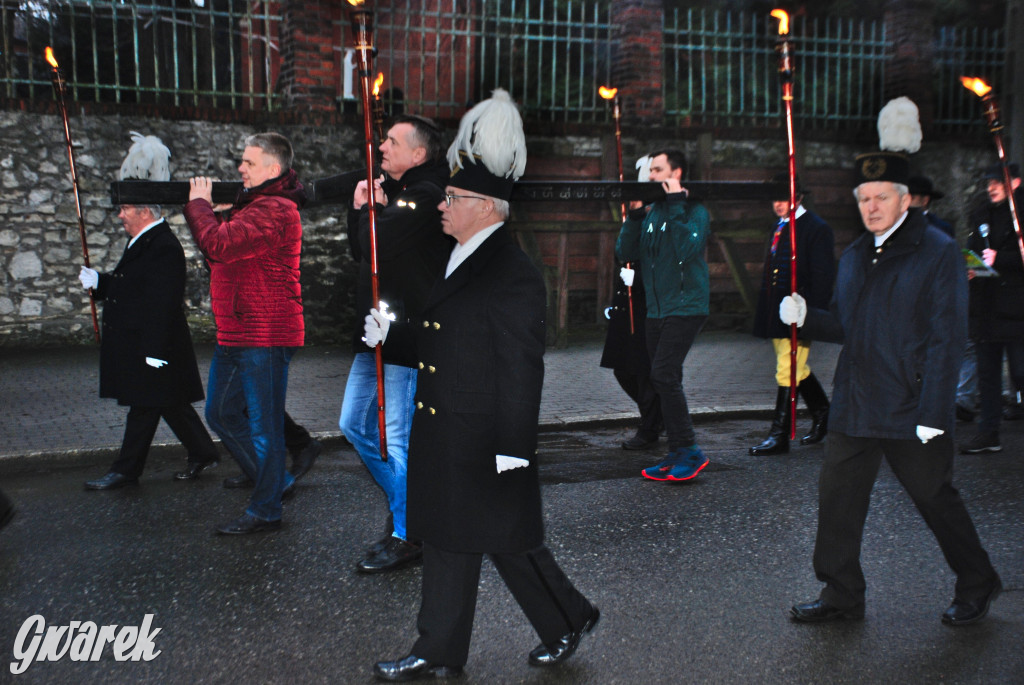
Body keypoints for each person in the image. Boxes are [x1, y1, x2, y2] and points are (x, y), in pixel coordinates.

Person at [370, 90, 598, 682]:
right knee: (452, 536)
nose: (442, 205)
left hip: (487, 432)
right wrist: (390, 334)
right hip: (447, 425)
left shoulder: (511, 272)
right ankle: (439, 648)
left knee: (509, 541)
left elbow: (523, 366)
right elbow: (443, 332)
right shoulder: (459, 253)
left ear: (487, 206)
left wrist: (513, 446)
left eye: (452, 197)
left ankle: (567, 617)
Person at [783, 150, 1001, 626]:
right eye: (864, 198)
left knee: (934, 498)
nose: (872, 206)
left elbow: (948, 337)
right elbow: (847, 324)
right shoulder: (857, 254)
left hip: (911, 404)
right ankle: (841, 591)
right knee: (837, 499)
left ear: (905, 200)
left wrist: (934, 412)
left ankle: (978, 580)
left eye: (882, 197)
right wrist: (808, 317)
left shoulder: (937, 250)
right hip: (857, 400)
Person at [339, 114, 451, 573]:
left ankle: (410, 533)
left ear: (419, 154)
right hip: (376, 331)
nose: (381, 147)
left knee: (397, 438)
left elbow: (378, 240)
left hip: (407, 339)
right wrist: (360, 209)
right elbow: (362, 251)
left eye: (391, 141)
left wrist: (370, 211)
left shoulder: (427, 195)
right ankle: (413, 509)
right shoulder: (400, 193)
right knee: (354, 424)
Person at [80, 133, 219, 491]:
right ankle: (203, 451)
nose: (120, 215)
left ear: (144, 211)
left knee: (144, 406)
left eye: (125, 209)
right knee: (169, 403)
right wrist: (100, 282)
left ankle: (126, 470)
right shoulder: (141, 240)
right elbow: (131, 288)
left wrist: (155, 352)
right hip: (147, 343)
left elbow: (162, 303)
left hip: (155, 345)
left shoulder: (164, 246)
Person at [184, 132, 305, 535]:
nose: (239, 168)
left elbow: (219, 246)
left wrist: (199, 207)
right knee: (220, 413)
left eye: (248, 162)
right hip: (237, 330)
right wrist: (218, 214)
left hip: (264, 333)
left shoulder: (275, 209)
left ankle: (267, 508)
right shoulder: (253, 207)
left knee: (265, 427)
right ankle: (274, 481)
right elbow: (226, 253)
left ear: (273, 169)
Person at [615, 149, 711, 482]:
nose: (651, 176)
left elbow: (687, 250)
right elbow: (625, 254)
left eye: (658, 169)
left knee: (664, 375)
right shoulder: (652, 212)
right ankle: (675, 452)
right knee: (663, 378)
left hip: (686, 306)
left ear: (677, 173)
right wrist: (635, 217)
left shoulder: (694, 210)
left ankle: (690, 450)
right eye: (650, 170)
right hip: (656, 308)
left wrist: (675, 206)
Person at [749, 175, 835, 456]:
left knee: (788, 367)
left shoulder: (815, 228)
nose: (778, 204)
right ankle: (824, 414)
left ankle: (779, 435)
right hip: (777, 309)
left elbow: (823, 275)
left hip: (799, 311)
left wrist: (809, 311)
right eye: (774, 199)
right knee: (796, 366)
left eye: (783, 198)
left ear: (798, 198)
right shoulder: (780, 226)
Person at [960, 163, 1024, 453]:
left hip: (1016, 307)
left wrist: (1002, 258)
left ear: (1016, 182)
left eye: (999, 181)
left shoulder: (1018, 213)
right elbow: (974, 247)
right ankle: (988, 432)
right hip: (986, 304)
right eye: (989, 182)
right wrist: (971, 266)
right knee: (987, 373)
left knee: (1020, 370)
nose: (992, 187)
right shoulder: (981, 213)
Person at [600, 270, 662, 449]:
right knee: (622, 370)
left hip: (644, 311)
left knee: (643, 373)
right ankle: (658, 417)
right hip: (626, 311)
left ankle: (650, 428)